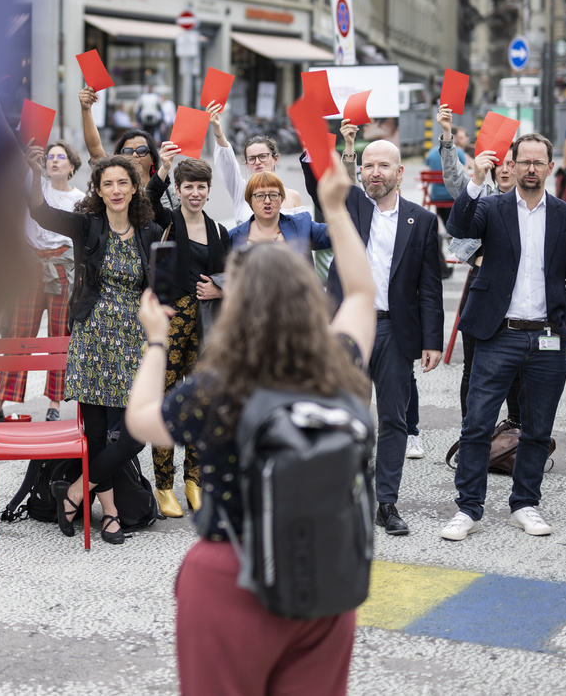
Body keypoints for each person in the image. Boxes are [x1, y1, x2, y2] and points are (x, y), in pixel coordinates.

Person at [124, 159, 374, 696]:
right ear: (308, 297)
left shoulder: (218, 388)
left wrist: (157, 341)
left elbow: (142, 420)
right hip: (326, 569)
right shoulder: (339, 367)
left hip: (228, 575)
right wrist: (333, 206)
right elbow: (359, 295)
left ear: (236, 302)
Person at [443, 133, 566, 541]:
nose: (530, 168)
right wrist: (475, 179)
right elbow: (458, 227)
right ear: (512, 164)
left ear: (549, 167)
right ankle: (468, 508)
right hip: (497, 335)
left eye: (538, 162)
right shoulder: (491, 206)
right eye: (523, 161)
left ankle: (525, 504)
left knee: (538, 430)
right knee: (477, 425)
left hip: (546, 337)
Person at [29, 153, 163, 545]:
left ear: (135, 187)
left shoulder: (150, 231)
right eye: (108, 184)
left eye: (123, 182)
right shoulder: (86, 226)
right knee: (98, 434)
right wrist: (31, 172)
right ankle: (112, 516)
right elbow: (38, 211)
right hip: (92, 337)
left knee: (135, 432)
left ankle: (73, 492)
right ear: (99, 190)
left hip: (131, 340)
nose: (116, 190)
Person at [327, 131, 443, 536]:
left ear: (399, 171)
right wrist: (344, 147)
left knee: (393, 418)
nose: (374, 173)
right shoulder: (352, 207)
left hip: (396, 329)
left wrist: (432, 340)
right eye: (368, 166)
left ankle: (386, 503)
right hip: (351, 327)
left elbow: (430, 285)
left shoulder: (423, 220)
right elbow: (327, 183)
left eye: (382, 166)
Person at [143, 142, 232, 517]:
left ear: (209, 190)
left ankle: (195, 481)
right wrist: (162, 168)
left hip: (206, 328)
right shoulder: (165, 221)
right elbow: (145, 200)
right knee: (165, 404)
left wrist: (219, 285)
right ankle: (164, 486)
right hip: (169, 325)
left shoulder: (219, 231)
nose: (195, 193)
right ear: (177, 190)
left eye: (201, 187)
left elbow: (233, 274)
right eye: (188, 187)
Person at [0, 141, 84, 429]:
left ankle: (54, 403)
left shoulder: (81, 198)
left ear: (72, 166)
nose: (53, 161)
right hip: (32, 265)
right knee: (19, 334)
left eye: (60, 157)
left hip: (62, 266)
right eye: (50, 156)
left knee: (59, 336)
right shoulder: (33, 183)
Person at [436, 107, 524, 427]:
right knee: (473, 367)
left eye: (512, 164)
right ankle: (470, 430)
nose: (505, 169)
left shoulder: (530, 201)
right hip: (482, 284)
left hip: (517, 291)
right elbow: (453, 177)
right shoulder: (481, 192)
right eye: (500, 163)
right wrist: (447, 134)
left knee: (516, 367)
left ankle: (515, 431)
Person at [208, 107, 305, 224]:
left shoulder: (293, 196)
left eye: (263, 156)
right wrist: (217, 129)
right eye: (252, 158)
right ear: (247, 163)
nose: (258, 162)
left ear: (275, 159)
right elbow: (226, 161)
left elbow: (303, 234)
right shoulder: (241, 190)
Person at [227, 171, 329, 253]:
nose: (267, 201)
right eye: (260, 196)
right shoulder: (233, 236)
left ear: (282, 199)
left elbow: (335, 233)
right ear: (250, 201)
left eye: (273, 195)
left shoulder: (301, 225)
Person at [424, 123, 470, 222]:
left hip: (436, 196)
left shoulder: (431, 153)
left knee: (444, 212)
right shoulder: (459, 152)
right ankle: (452, 230)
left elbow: (427, 173)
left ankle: (448, 229)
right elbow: (465, 174)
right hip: (453, 195)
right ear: (456, 137)